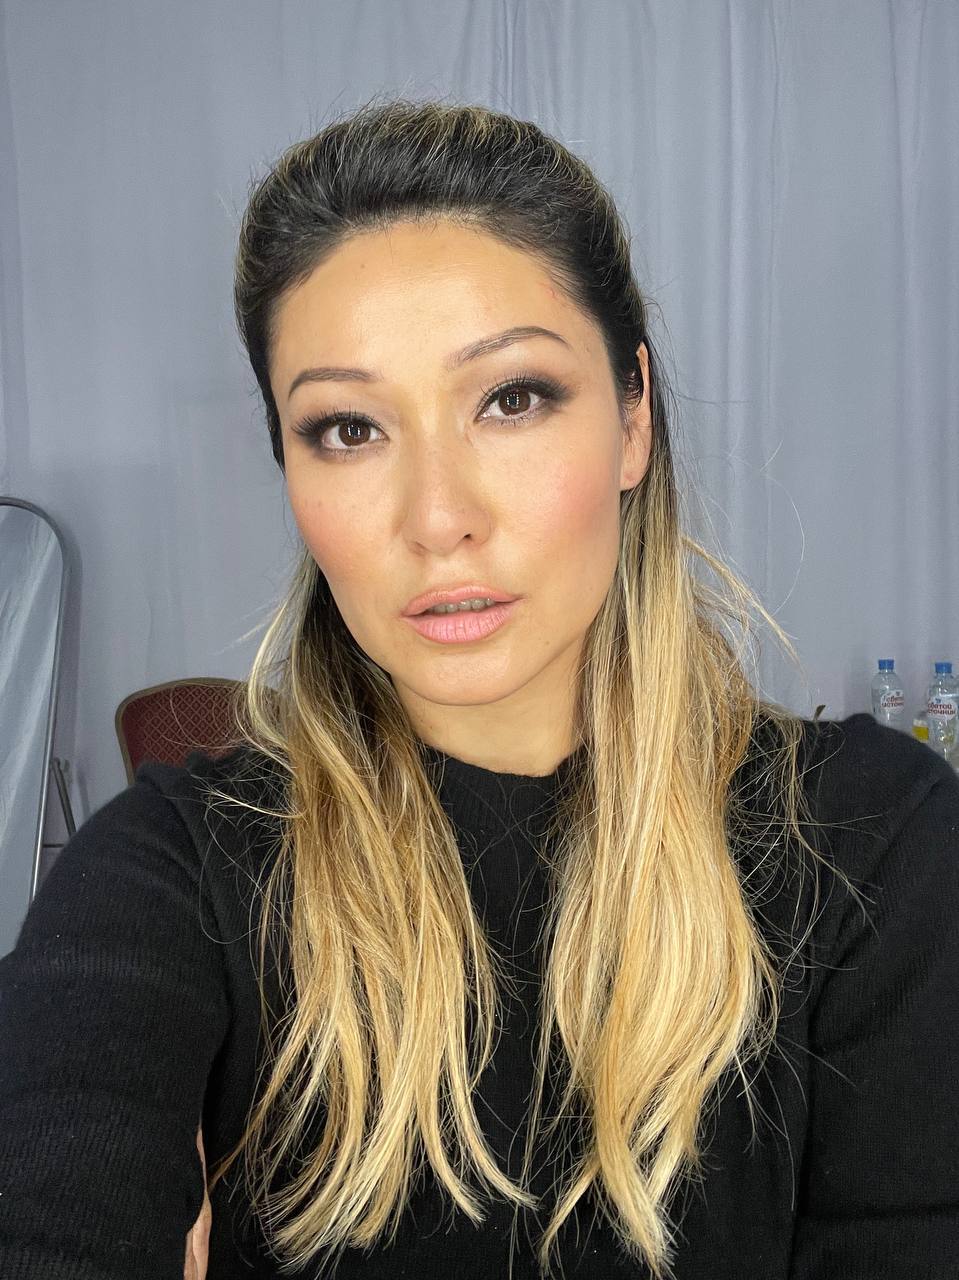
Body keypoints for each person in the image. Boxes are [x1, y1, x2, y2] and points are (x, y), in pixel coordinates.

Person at [1, 95, 958, 1280]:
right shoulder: (169, 875)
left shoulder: (872, 848)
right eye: (348, 428)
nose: (436, 517)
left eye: (510, 398)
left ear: (631, 416)